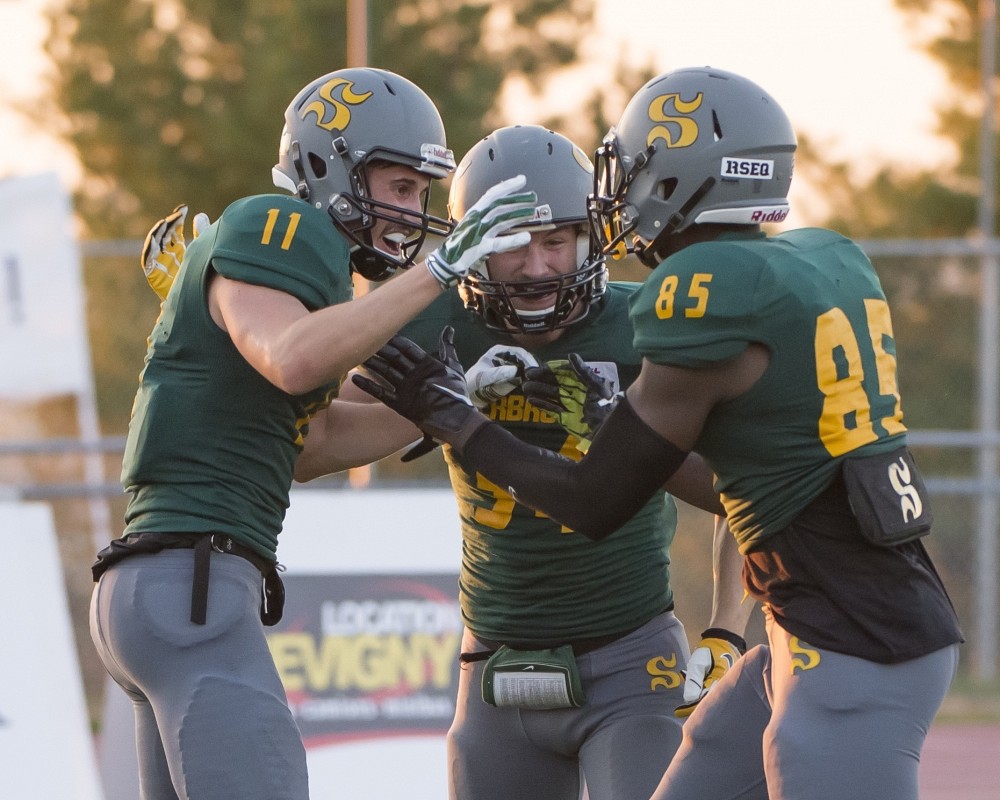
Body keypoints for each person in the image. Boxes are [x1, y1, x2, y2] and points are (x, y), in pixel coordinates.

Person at [353, 67, 964, 800]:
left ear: (677, 182)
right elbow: (755, 465)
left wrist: (454, 415)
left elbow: (594, 501)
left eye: (632, 173)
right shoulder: (826, 254)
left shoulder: (696, 294)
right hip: (821, 610)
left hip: (847, 633)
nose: (618, 196)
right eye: (517, 242)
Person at [142, 123, 753, 800]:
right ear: (473, 246)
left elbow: (747, 489)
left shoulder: (645, 324)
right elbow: (305, 434)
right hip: (490, 662)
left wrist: (727, 623)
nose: (538, 266)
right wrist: (220, 315)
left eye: (555, 241)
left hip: (630, 659)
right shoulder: (430, 324)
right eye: (514, 244)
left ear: (589, 238)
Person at [89, 66, 537, 800]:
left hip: (164, 589)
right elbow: (293, 360)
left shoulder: (309, 271)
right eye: (399, 188)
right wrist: (440, 270)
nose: (411, 210)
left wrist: (443, 405)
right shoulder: (288, 223)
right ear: (332, 168)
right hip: (192, 582)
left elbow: (311, 444)